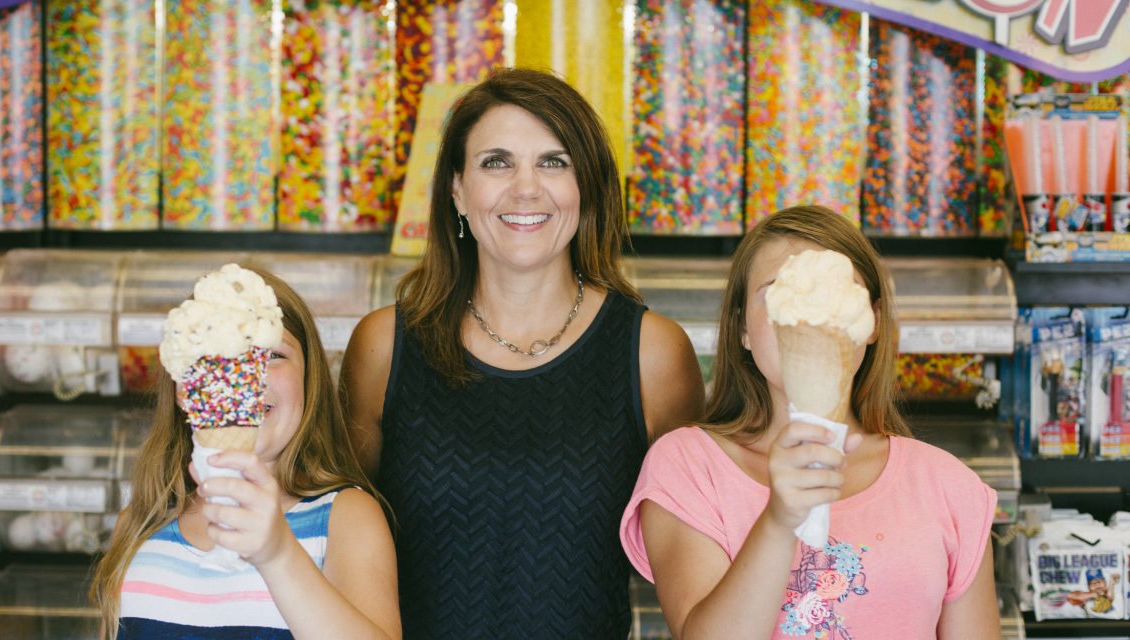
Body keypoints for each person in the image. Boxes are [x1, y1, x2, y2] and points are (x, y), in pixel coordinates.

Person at [341, 67, 706, 638]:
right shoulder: (384, 347)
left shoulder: (652, 354)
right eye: (497, 161)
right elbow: (332, 537)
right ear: (457, 190)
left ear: (586, 186)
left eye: (554, 161)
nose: (527, 187)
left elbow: (698, 570)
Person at [620, 205, 1000, 639]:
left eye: (839, 292)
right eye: (776, 291)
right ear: (742, 326)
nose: (809, 317)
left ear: (872, 321)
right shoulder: (688, 467)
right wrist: (780, 520)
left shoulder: (950, 488)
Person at [92, 267, 401, 640]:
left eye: (272, 354)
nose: (245, 377)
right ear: (183, 389)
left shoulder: (344, 517)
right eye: (218, 356)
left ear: (310, 378)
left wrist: (277, 554)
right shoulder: (143, 521)